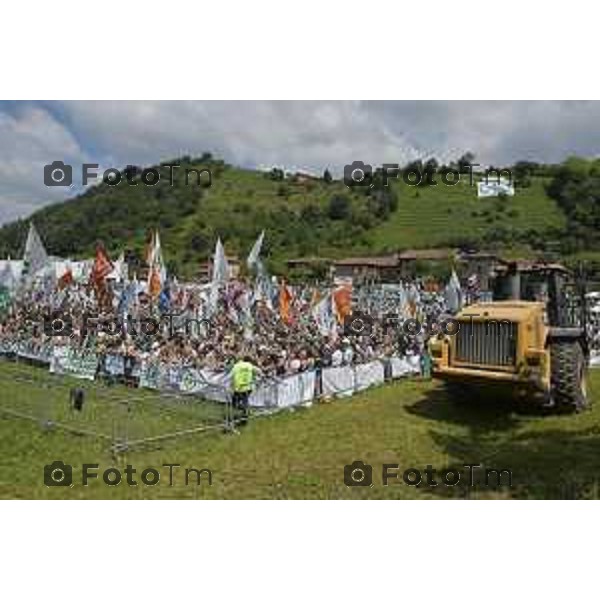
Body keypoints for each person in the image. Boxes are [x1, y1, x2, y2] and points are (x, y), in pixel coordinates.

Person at [230, 355, 261, 428]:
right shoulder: (250, 366)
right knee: (244, 401)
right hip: (247, 387)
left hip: (238, 388)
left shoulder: (236, 366)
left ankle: (243, 415)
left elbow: (231, 376)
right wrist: (256, 379)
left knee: (234, 402)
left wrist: (231, 385)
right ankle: (244, 415)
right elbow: (259, 371)